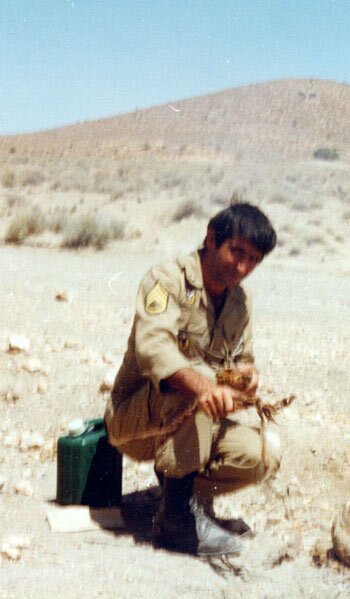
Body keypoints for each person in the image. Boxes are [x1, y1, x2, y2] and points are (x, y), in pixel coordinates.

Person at [104, 202, 279, 556]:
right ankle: (175, 524)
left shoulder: (239, 301)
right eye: (237, 252)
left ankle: (180, 499)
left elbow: (242, 360)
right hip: (135, 424)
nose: (242, 268)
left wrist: (247, 378)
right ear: (211, 239)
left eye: (253, 260)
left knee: (262, 455)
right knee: (192, 381)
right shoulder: (166, 280)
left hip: (194, 426)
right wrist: (205, 386)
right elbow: (153, 349)